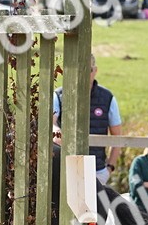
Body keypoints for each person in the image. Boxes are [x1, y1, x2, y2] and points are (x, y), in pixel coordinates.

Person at [52, 53, 123, 185]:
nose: (84, 74)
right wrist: (57, 131)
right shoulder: (58, 95)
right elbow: (51, 123)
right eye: (80, 70)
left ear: (95, 71)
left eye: (88, 70)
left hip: (97, 170)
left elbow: (117, 136)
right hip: (67, 167)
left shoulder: (108, 98)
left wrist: (109, 168)